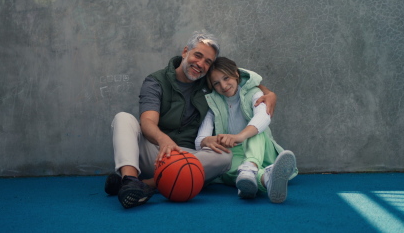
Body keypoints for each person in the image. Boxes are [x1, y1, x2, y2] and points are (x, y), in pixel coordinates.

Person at [105, 31, 278, 209]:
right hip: (155, 151)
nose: (200, 64)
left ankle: (148, 185)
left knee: (224, 156)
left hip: (189, 157)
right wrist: (163, 139)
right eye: (198, 55)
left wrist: (268, 93)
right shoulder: (156, 81)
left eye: (207, 62)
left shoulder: (210, 84)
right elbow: (147, 122)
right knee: (123, 118)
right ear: (185, 51)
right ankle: (130, 180)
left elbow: (240, 81)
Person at [195, 57, 298, 203]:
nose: (223, 86)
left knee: (256, 130)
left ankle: (250, 167)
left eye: (226, 78)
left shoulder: (254, 93)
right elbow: (199, 141)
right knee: (225, 165)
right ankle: (265, 180)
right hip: (236, 154)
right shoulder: (213, 103)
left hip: (262, 150)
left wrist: (240, 136)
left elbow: (264, 117)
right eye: (216, 83)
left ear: (236, 74)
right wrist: (207, 140)